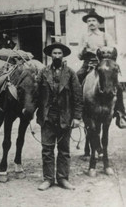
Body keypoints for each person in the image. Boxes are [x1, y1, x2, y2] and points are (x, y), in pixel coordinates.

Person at [35, 42, 83, 191]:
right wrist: (29, 110)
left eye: (59, 53)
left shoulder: (70, 73)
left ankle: (63, 178)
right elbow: (36, 95)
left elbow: (78, 96)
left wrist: (77, 117)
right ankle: (48, 179)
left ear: (63, 56)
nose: (56, 56)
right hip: (48, 116)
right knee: (47, 149)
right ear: (50, 55)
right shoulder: (43, 72)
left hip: (65, 116)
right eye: (54, 53)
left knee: (64, 149)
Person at [76, 10, 125, 128]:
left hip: (104, 64)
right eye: (89, 21)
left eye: (93, 20)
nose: (91, 23)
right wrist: (83, 48)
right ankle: (78, 113)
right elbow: (79, 55)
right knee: (77, 78)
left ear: (98, 23)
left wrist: (99, 50)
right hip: (88, 64)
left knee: (117, 85)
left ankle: (120, 113)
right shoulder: (84, 36)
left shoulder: (105, 35)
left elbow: (112, 50)